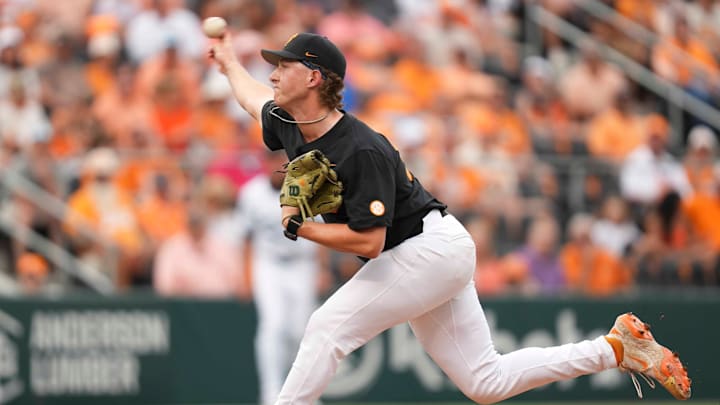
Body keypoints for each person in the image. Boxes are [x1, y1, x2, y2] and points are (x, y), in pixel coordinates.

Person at [208, 31, 691, 404]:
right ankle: (616, 348)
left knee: (325, 329)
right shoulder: (292, 122)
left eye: (283, 66)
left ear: (314, 78)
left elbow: (370, 242)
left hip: (424, 250)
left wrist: (301, 227)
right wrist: (229, 63)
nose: (272, 74)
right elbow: (253, 100)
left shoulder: (361, 149)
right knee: (486, 381)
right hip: (427, 251)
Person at [236, 149, 329, 405]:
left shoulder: (307, 188)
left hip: (302, 264)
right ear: (264, 163)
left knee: (301, 330)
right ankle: (271, 393)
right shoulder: (251, 193)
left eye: (282, 161)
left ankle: (300, 393)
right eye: (272, 160)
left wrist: (321, 269)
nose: (277, 166)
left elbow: (322, 231)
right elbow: (245, 238)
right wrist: (245, 276)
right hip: (268, 264)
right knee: (273, 325)